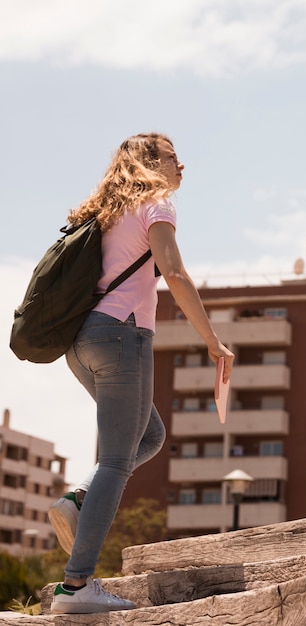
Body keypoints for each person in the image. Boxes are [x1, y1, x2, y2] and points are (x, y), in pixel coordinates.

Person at [47, 133, 235, 614]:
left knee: (148, 435)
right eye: (174, 157)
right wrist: (212, 340)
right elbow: (174, 273)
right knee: (115, 459)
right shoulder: (158, 204)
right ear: (153, 163)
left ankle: (78, 499)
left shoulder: (106, 212)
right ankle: (75, 587)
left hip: (82, 341)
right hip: (122, 337)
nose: (183, 165)